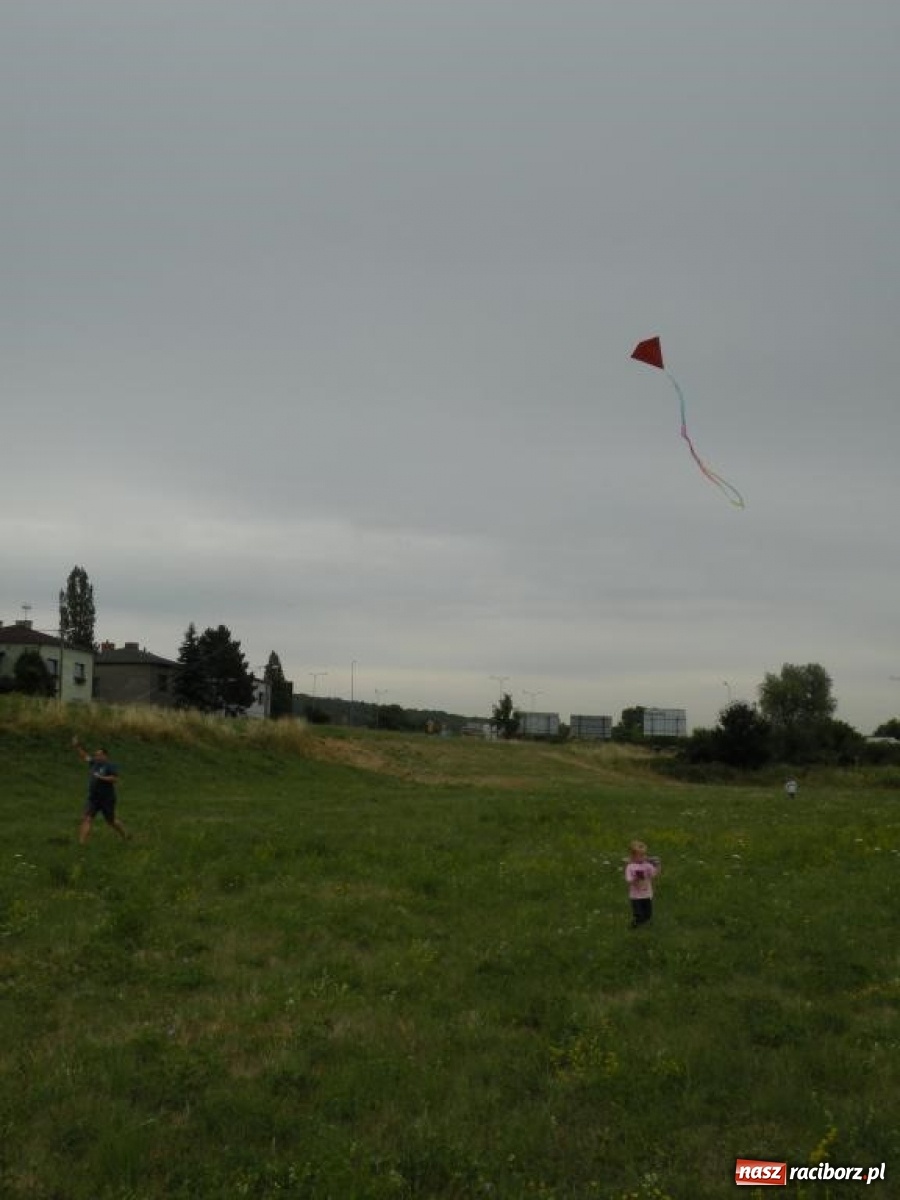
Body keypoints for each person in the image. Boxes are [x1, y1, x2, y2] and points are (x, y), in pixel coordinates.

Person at [72, 737, 129, 844]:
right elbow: (85, 756)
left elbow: (115, 779)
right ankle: (82, 843)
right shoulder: (94, 763)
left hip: (107, 799)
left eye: (99, 755)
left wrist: (101, 778)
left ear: (105, 756)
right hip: (93, 798)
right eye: (96, 755)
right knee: (87, 818)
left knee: (111, 821)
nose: (96, 756)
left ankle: (124, 835)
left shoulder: (110, 766)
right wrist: (77, 746)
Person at [625, 840, 660, 928]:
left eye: (644, 855)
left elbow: (653, 874)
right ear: (633, 856)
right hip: (636, 896)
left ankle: (644, 926)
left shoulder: (647, 865)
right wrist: (635, 878)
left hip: (647, 894)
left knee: (648, 914)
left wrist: (657, 866)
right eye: (640, 855)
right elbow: (628, 879)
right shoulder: (630, 867)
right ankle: (635, 926)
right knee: (639, 914)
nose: (643, 857)